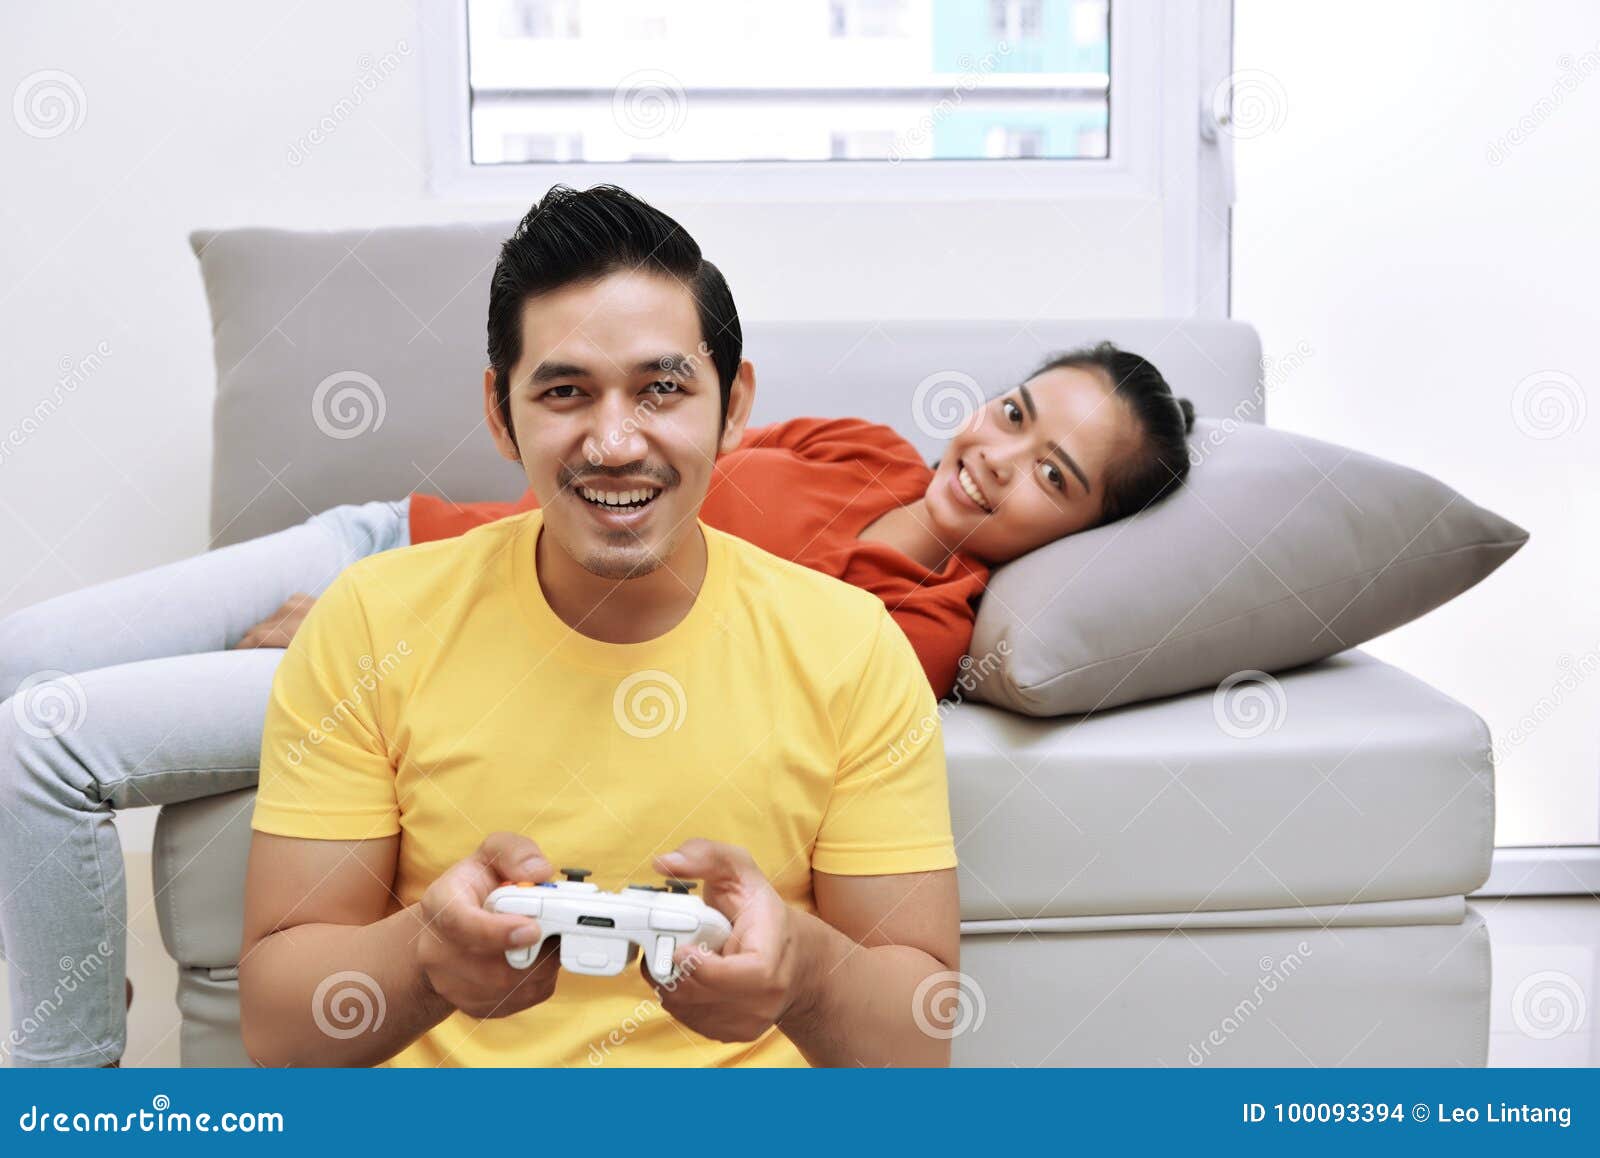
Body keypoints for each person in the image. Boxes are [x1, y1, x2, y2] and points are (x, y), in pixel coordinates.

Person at [0, 186, 1194, 1067]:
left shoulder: (876, 639)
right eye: (565, 390)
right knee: (27, 664)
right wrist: (424, 955)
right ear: (500, 411)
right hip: (393, 553)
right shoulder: (862, 453)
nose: (616, 436)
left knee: (43, 735)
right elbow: (280, 1022)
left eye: (662, 390)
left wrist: (808, 971)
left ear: (729, 409)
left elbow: (912, 1039)